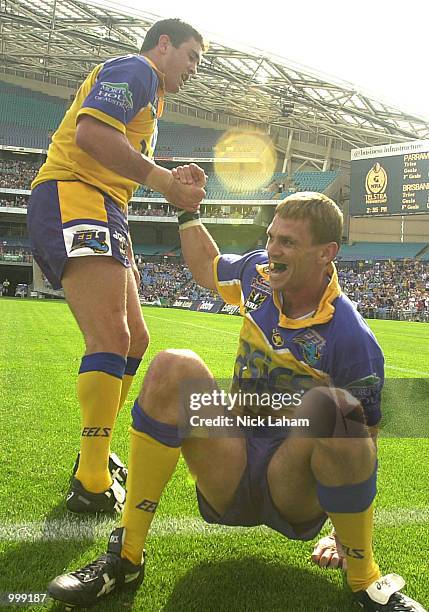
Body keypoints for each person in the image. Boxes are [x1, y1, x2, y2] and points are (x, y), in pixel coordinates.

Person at [47, 190, 426, 611]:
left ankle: (364, 580)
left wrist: (340, 534)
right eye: (271, 237)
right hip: (230, 462)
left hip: (291, 485)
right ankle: (126, 556)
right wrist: (186, 212)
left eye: (288, 242)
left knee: (337, 409)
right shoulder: (257, 274)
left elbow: (365, 440)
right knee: (174, 365)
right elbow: (207, 269)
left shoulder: (351, 336)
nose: (272, 250)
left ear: (326, 253)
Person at [27, 19, 208, 514]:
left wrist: (168, 176)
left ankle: (96, 452)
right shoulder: (138, 69)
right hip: (75, 194)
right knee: (110, 337)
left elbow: (118, 147)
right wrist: (163, 182)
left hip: (105, 206)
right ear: (164, 44)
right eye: (191, 55)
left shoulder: (152, 97)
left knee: (136, 340)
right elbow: (90, 134)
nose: (195, 68)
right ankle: (90, 480)